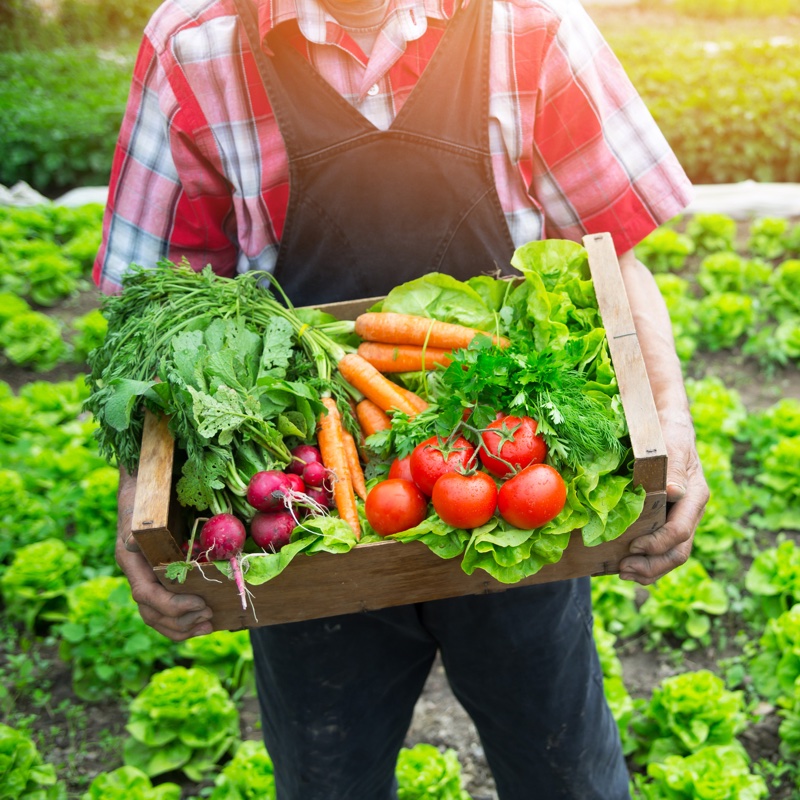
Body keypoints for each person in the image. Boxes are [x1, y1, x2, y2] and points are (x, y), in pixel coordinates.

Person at [97, 0, 709, 797]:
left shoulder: (531, 23)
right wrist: (138, 507)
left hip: (509, 490)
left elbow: (613, 248)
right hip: (311, 502)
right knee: (328, 777)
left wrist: (673, 429)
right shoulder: (195, 43)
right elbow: (158, 313)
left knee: (566, 769)